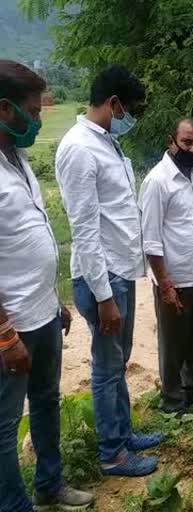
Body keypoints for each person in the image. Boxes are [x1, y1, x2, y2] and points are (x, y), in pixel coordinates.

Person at [56, 64, 161, 477]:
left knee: (119, 361)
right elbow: (83, 228)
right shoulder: (79, 148)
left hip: (119, 271)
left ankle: (124, 434)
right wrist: (103, 297)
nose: (130, 119)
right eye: (129, 110)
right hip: (102, 279)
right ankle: (112, 453)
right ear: (114, 103)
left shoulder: (105, 143)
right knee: (105, 367)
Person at [0, 59, 94, 512]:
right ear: (4, 110)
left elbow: (25, 240)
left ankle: (49, 485)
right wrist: (5, 335)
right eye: (33, 112)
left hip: (40, 316)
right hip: (10, 329)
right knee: (3, 426)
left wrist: (54, 301)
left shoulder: (17, 160)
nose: (39, 120)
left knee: (46, 403)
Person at [139, 118, 193, 415]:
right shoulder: (157, 181)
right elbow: (152, 239)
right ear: (171, 141)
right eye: (187, 142)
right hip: (174, 279)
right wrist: (165, 283)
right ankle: (172, 401)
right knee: (173, 344)